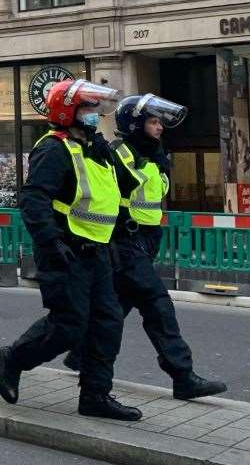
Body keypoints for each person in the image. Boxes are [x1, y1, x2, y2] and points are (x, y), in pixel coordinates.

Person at [0, 79, 141, 421]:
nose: (93, 116)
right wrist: (50, 241)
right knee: (69, 325)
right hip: (65, 250)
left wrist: (118, 237)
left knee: (107, 322)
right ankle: (13, 358)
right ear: (67, 111)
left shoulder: (96, 149)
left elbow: (117, 195)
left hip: (99, 251)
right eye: (88, 109)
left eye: (94, 109)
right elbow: (33, 199)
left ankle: (95, 395)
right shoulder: (53, 149)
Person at [73, 94, 226, 401]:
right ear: (136, 124)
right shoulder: (117, 153)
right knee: (157, 304)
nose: (160, 128)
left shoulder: (155, 155)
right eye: (154, 122)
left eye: (160, 122)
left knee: (115, 306)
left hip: (146, 239)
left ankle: (78, 353)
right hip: (125, 239)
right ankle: (182, 375)